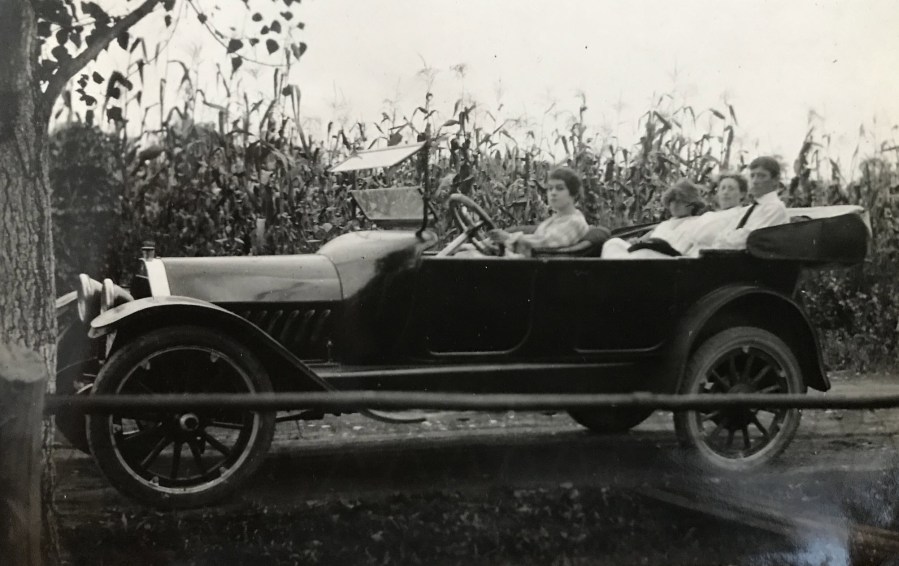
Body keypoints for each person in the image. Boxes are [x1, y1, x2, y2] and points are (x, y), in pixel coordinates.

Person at [486, 166, 589, 256]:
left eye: (560, 188)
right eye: (550, 188)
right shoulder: (558, 219)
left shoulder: (575, 222)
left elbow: (544, 242)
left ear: (574, 194)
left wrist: (508, 238)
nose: (553, 193)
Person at [700, 156, 789, 252]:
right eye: (752, 176)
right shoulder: (748, 210)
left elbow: (750, 239)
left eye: (762, 176)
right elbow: (721, 236)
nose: (755, 181)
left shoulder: (775, 208)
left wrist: (729, 238)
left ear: (775, 180)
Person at [601, 180, 707, 258]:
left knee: (643, 254)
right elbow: (641, 241)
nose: (674, 205)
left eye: (679, 201)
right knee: (613, 243)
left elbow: (695, 248)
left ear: (693, 204)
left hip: (671, 260)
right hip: (646, 254)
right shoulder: (664, 225)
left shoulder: (697, 222)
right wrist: (635, 242)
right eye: (671, 201)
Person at [679, 172, 749, 255]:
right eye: (722, 188)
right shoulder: (708, 215)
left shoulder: (741, 214)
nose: (725, 192)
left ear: (742, 194)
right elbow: (687, 241)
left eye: (731, 189)